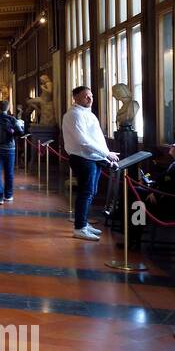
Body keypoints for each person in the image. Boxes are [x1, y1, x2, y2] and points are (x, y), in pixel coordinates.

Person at [62, 85, 119, 241]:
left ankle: (84, 223)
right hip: (82, 158)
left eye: (91, 96)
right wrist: (107, 154)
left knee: (91, 191)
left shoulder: (89, 114)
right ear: (76, 98)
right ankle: (79, 227)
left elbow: (98, 138)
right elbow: (83, 141)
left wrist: (106, 156)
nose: (90, 98)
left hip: (94, 158)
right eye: (86, 96)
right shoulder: (74, 115)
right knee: (86, 192)